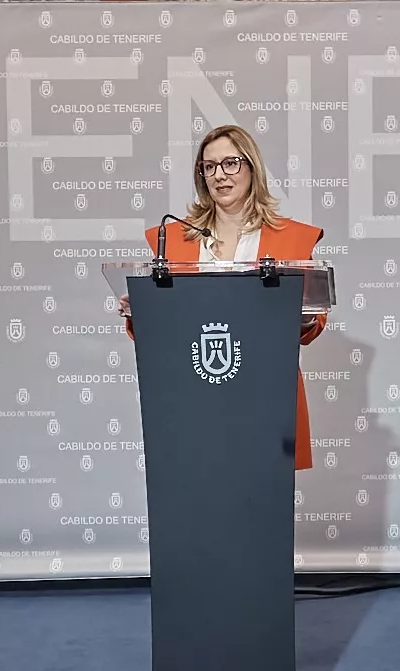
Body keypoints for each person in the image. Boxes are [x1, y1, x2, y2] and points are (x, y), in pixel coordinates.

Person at [118, 124, 326, 471]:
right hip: (191, 396)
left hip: (264, 398)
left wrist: (302, 313)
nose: (219, 175)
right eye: (209, 166)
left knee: (258, 506)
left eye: (231, 163)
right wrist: (141, 313)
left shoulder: (291, 238)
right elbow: (164, 328)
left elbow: (311, 324)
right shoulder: (172, 238)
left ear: (251, 168)